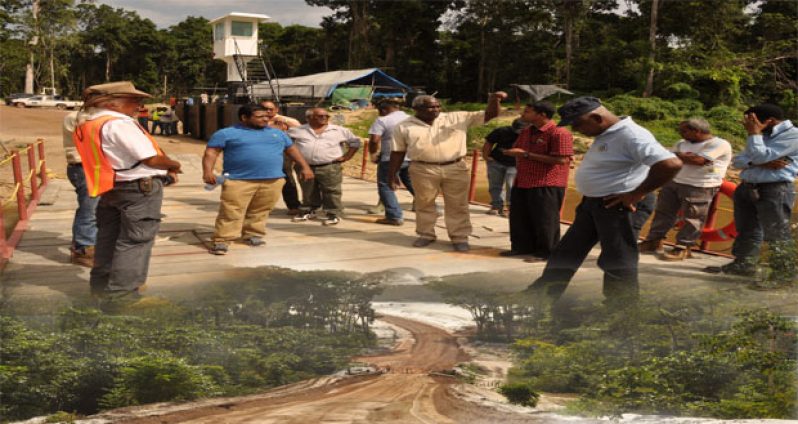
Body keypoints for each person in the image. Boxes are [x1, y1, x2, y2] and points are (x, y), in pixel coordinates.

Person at [524, 97, 682, 307]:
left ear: (597, 117)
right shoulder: (606, 133)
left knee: (617, 258)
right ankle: (543, 293)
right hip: (593, 203)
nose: (577, 129)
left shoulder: (632, 135)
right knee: (566, 252)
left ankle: (621, 308)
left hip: (619, 204)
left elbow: (671, 164)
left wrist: (636, 194)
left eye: (578, 124)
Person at [72, 81, 182, 302]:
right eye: (133, 100)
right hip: (137, 188)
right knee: (135, 241)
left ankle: (101, 289)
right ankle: (123, 296)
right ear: (111, 102)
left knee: (108, 238)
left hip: (111, 186)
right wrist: (173, 164)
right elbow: (149, 157)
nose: (139, 104)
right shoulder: (120, 124)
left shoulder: (89, 124)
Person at [389, 92, 506, 252]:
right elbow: (397, 152)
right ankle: (426, 234)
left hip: (455, 167)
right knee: (424, 203)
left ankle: (459, 237)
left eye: (437, 105)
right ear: (416, 109)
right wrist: (393, 174)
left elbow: (490, 114)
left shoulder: (457, 117)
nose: (436, 109)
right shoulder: (403, 126)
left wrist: (494, 100)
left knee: (458, 205)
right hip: (422, 169)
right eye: (431, 107)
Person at [704, 104, 798, 289]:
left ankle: (783, 276)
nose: (746, 125)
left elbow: (759, 155)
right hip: (747, 187)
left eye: (750, 121)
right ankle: (743, 265)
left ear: (769, 121)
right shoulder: (762, 134)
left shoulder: (793, 135)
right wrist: (760, 161)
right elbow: (739, 160)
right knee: (746, 229)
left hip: (774, 189)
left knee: (777, 234)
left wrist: (755, 137)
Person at [203, 104, 314, 255]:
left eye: (267, 116)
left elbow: (292, 150)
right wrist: (207, 171)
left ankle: (253, 234)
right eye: (260, 116)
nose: (265, 119)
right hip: (238, 180)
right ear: (244, 117)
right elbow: (211, 152)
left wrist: (305, 167)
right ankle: (222, 240)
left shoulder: (278, 133)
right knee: (231, 211)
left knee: (261, 210)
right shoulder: (226, 133)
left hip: (273, 180)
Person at [639, 118, 732, 260]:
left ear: (697, 131)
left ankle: (683, 247)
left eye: (684, 131)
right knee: (663, 213)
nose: (680, 133)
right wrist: (683, 156)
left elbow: (698, 161)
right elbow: (668, 158)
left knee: (693, 218)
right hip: (673, 181)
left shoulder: (719, 144)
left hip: (700, 186)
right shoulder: (681, 143)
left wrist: (679, 156)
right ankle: (653, 241)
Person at [501, 102, 574, 261]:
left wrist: (527, 155)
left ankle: (546, 252)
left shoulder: (559, 133)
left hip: (546, 182)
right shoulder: (527, 131)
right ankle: (522, 247)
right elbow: (519, 150)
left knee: (545, 220)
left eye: (527, 112)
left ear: (542, 115)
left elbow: (561, 160)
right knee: (520, 217)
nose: (522, 115)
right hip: (523, 180)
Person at [287, 107, 362, 225]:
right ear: (309, 118)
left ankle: (333, 213)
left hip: (330, 166)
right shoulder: (297, 130)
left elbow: (355, 142)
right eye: (320, 116)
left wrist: (347, 156)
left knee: (332, 190)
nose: (324, 118)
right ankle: (308, 210)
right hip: (305, 166)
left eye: (326, 116)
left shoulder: (338, 130)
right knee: (308, 189)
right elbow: (287, 145)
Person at [63, 111, 100, 267]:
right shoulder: (79, 117)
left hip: (90, 168)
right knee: (89, 210)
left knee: (90, 208)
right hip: (85, 167)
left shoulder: (84, 115)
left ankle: (84, 244)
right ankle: (83, 250)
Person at [369, 99, 413, 225]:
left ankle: (394, 216)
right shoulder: (411, 119)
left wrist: (373, 154)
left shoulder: (383, 120)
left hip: (390, 158)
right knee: (413, 184)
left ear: (383, 110)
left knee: (386, 186)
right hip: (411, 157)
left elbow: (374, 140)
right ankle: (432, 208)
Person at [259, 100, 303, 215]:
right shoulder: (256, 120)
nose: (268, 111)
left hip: (282, 153)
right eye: (265, 108)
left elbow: (302, 130)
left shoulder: (286, 121)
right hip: (260, 153)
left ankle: (293, 205)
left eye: (270, 109)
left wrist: (284, 123)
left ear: (276, 109)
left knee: (287, 178)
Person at [482, 118, 528, 216]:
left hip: (515, 164)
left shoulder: (529, 134)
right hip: (496, 161)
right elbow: (489, 142)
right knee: (495, 185)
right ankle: (496, 206)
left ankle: (510, 208)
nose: (519, 133)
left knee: (511, 186)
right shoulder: (502, 131)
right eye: (517, 130)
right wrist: (486, 156)